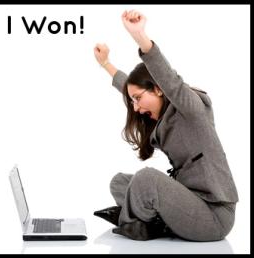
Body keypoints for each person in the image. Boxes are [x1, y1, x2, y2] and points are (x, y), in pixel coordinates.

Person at [93, 10, 239, 241]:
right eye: (133, 102)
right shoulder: (161, 117)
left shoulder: (190, 109)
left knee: (147, 180)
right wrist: (106, 64)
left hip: (214, 216)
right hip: (189, 200)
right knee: (120, 182)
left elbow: (169, 79)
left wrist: (140, 37)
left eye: (138, 99)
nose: (136, 108)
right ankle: (153, 220)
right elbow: (128, 88)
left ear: (159, 89)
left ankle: (136, 223)